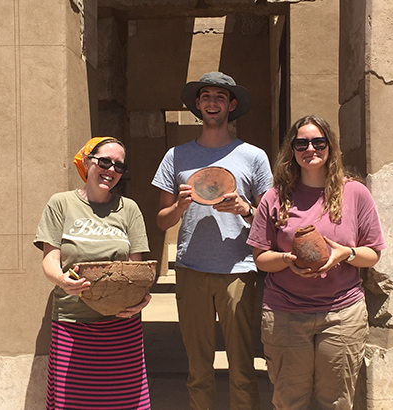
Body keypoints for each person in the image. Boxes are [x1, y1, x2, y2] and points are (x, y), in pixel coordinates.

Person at [246, 115, 387, 410]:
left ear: (330, 147)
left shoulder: (355, 193)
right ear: (292, 150)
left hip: (341, 314)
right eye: (302, 143)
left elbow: (372, 253)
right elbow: (261, 258)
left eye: (318, 141)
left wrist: (344, 253)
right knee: (289, 401)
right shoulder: (275, 197)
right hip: (285, 314)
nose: (310, 149)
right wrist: (287, 259)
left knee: (336, 402)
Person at [152, 72, 273, 410]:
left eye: (220, 96)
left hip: (239, 271)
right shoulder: (176, 156)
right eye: (206, 96)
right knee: (198, 368)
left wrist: (243, 208)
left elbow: (268, 219)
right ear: (197, 105)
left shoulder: (253, 156)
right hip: (192, 270)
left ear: (231, 105)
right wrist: (179, 205)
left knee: (242, 366)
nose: (212, 102)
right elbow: (162, 220)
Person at [34, 136, 152, 410]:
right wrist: (63, 280)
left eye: (119, 166)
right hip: (72, 322)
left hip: (121, 324)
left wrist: (141, 298)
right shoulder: (61, 204)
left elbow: (136, 269)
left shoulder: (129, 209)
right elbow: (50, 261)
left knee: (123, 402)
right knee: (72, 402)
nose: (111, 170)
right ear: (87, 162)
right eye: (105, 162)